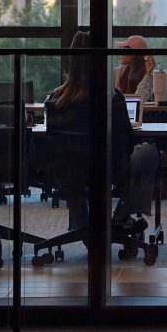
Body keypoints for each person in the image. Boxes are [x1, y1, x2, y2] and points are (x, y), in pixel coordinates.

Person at [44, 31, 159, 233]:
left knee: (72, 166)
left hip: (66, 169)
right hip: (107, 167)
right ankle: (121, 216)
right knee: (149, 153)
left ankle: (80, 225)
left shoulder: (54, 98)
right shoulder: (111, 96)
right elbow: (126, 141)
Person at [114, 34, 155, 101]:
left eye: (124, 48)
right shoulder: (118, 72)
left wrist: (147, 75)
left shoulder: (149, 75)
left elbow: (139, 101)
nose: (120, 52)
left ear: (133, 53)